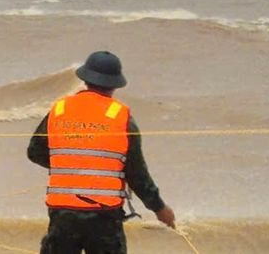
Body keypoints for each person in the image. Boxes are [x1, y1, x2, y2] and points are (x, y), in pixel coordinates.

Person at [27, 51, 176, 254]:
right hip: (103, 216)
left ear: (85, 79)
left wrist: (73, 164)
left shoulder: (60, 110)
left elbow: (35, 152)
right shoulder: (120, 117)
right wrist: (159, 208)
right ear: (114, 84)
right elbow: (136, 173)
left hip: (63, 213)